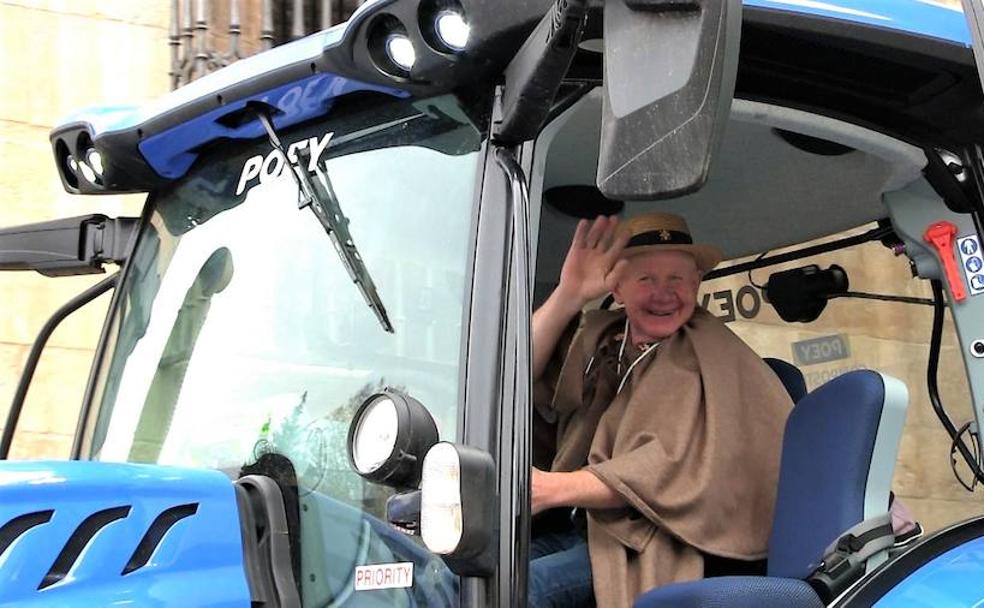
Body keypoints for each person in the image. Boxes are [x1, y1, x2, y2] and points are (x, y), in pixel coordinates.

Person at [528, 212, 794, 608]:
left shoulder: (707, 357)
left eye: (677, 279)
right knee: (445, 571)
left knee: (512, 588)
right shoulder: (601, 338)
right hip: (579, 529)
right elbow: (511, 374)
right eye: (646, 279)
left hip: (649, 541)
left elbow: (663, 468)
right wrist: (569, 294)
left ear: (697, 284)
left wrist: (552, 488)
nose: (664, 293)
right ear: (616, 288)